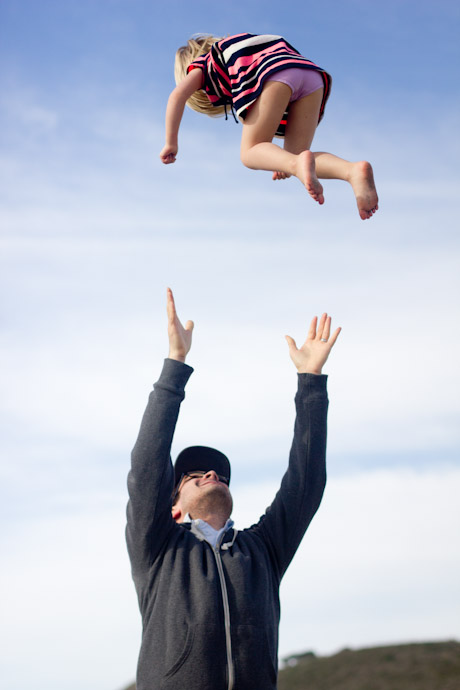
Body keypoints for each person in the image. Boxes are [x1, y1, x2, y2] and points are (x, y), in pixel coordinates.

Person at [126, 288, 341, 690]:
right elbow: (147, 468)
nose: (211, 475)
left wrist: (310, 381)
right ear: (173, 508)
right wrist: (175, 364)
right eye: (194, 477)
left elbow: (306, 483)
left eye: (220, 475)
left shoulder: (263, 550)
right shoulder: (158, 548)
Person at [159, 33, 379, 220]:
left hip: (276, 73)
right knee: (299, 156)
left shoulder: (203, 64)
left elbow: (176, 96)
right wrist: (284, 161)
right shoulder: (242, 47)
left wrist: (171, 142)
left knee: (250, 151)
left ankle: (296, 163)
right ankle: (352, 171)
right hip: (311, 75)